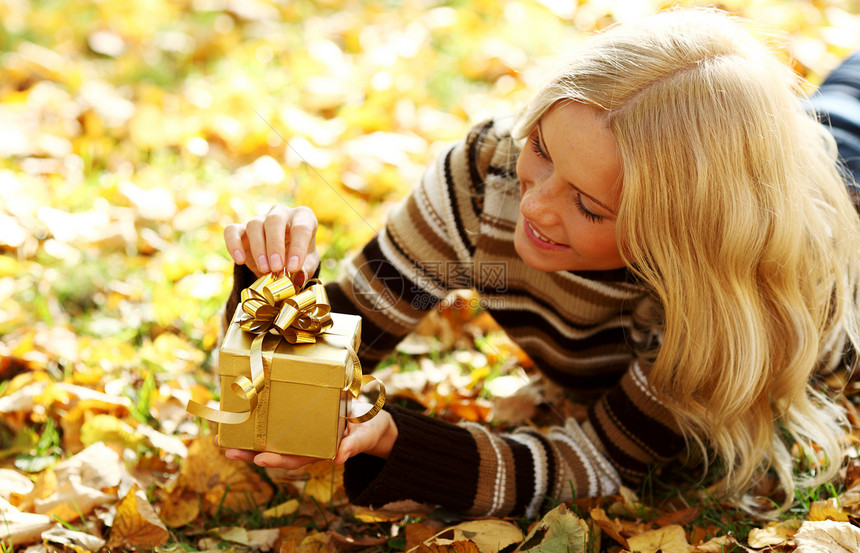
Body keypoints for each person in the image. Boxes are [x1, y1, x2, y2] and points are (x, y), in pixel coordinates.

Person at [220, 8, 860, 517]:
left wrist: (396, 440)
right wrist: (277, 297)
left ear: (677, 237)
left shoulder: (721, 300)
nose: (536, 204)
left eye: (587, 204)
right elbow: (348, 329)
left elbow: (600, 462)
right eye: (544, 148)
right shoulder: (487, 177)